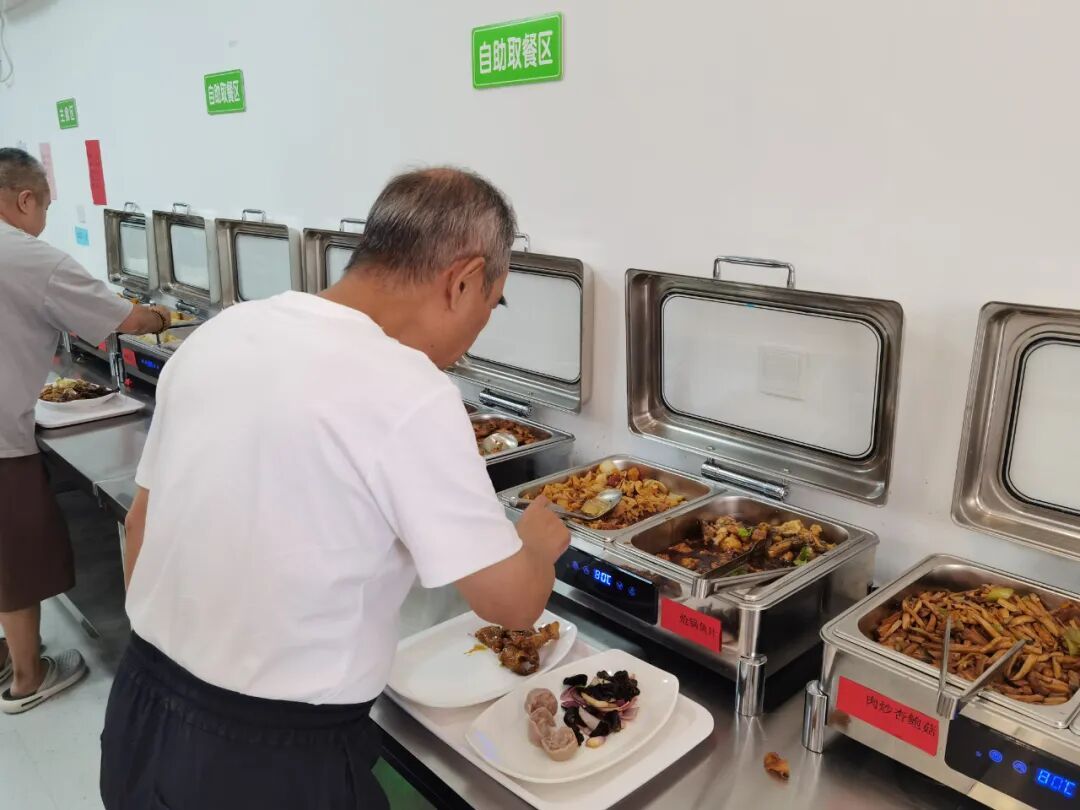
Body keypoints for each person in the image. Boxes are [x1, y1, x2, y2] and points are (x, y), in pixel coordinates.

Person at [100, 167, 571, 809]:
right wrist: (535, 545)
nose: (479, 329)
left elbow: (139, 528)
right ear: (462, 280)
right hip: (270, 764)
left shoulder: (221, 334)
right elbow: (511, 605)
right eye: (493, 304)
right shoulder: (410, 390)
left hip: (140, 709)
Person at [0, 147, 170, 714]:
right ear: (26, 199)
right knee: (15, 557)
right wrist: (161, 317)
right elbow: (124, 319)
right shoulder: (27, 256)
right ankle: (28, 679)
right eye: (45, 208)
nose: (43, 220)